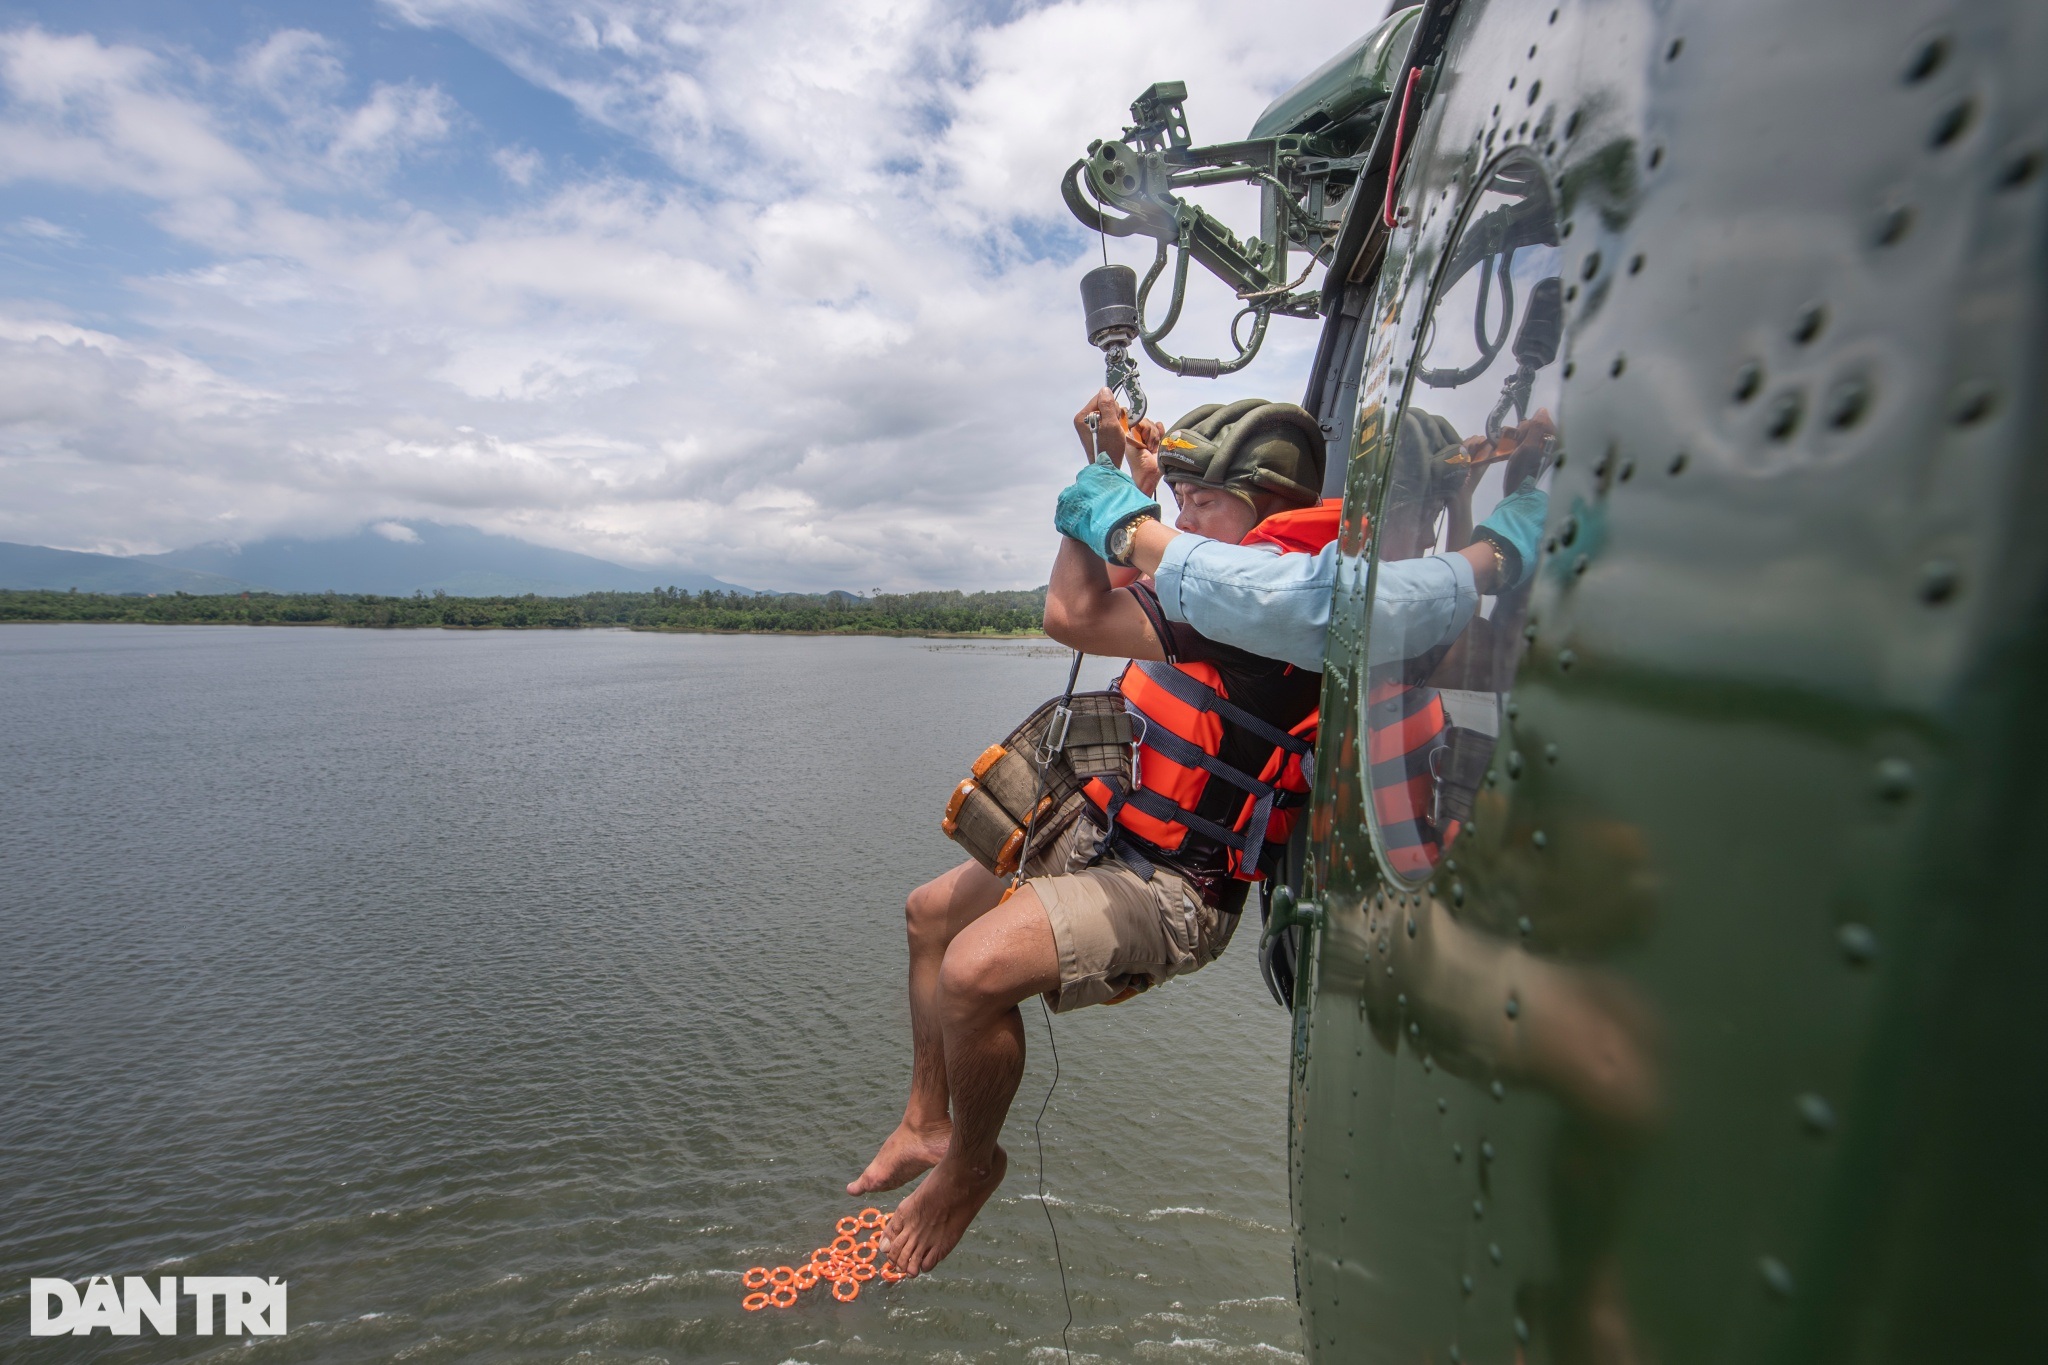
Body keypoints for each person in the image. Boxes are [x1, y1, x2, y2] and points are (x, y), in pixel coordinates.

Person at [866, 391, 1548, 1278]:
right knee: (928, 917)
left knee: (973, 971)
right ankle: (928, 1115)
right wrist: (1127, 485)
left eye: (1204, 499)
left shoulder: (1265, 616)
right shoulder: (1235, 589)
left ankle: (969, 1168)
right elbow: (1104, 589)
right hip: (1115, 827)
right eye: (1180, 497)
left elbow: (1071, 612)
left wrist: (1110, 485)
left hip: (1178, 883)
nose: (1185, 514)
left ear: (1270, 511)